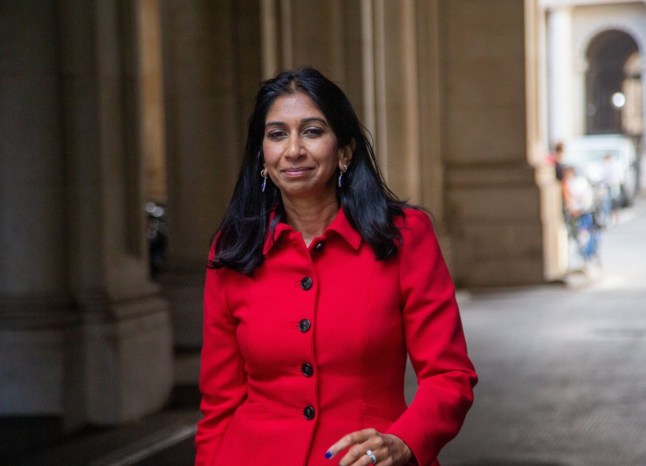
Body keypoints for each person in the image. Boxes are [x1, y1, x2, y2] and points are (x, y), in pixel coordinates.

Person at [195, 67, 477, 466]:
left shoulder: (404, 236)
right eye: (277, 134)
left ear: (344, 150)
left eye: (312, 131)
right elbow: (219, 406)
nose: (293, 149)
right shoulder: (233, 251)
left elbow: (450, 377)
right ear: (262, 156)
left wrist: (404, 441)